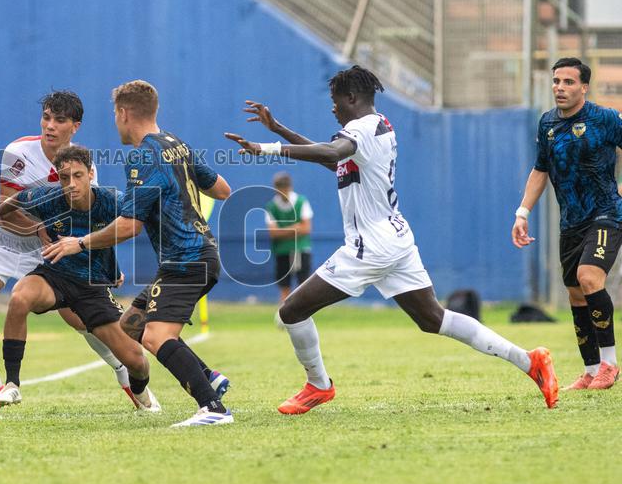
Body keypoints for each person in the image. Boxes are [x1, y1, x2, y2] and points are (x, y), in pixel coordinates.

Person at [224, 65, 559, 414]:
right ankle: (529, 361)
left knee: (291, 311)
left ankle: (318, 386)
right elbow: (333, 160)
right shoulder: (379, 124)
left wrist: (267, 147)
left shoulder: (359, 130)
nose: (332, 108)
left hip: (369, 246)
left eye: (335, 101)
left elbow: (329, 153)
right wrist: (278, 128)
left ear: (351, 98)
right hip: (396, 237)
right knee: (434, 319)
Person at [43, 80, 234, 427]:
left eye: (114, 114)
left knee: (156, 337)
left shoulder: (143, 157)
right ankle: (210, 378)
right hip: (196, 254)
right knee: (131, 325)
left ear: (123, 112)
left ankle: (213, 408)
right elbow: (222, 189)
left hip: (186, 260)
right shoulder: (177, 144)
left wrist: (80, 242)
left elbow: (130, 226)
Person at [0, 91, 135, 417]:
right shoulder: (18, 152)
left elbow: (91, 223)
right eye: (46, 118)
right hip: (7, 240)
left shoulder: (83, 168)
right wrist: (43, 233)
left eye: (60, 120)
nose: (50, 126)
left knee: (84, 320)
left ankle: (128, 380)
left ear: (75, 126)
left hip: (50, 248)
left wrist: (111, 268)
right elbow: (8, 210)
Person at [0, 145, 160, 411]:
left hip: (92, 289)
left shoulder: (112, 200)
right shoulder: (49, 198)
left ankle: (140, 392)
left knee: (137, 362)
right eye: (64, 178)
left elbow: (135, 223)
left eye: (77, 176)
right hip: (55, 277)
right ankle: (12, 384)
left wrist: (114, 269)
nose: (70, 184)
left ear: (91, 174)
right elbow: (15, 200)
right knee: (20, 297)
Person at [512, 57, 620, 390]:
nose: (560, 87)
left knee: (590, 278)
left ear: (584, 87)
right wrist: (522, 213)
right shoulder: (547, 124)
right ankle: (589, 370)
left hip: (606, 213)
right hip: (570, 221)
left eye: (569, 82)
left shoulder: (605, 119)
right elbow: (540, 171)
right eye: (556, 81)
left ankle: (610, 364)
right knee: (575, 293)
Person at [266, 171, 313, 300]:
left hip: (300, 250)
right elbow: (273, 233)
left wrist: (283, 231)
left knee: (303, 285)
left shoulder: (301, 201)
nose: (283, 192)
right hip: (282, 251)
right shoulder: (271, 206)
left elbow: (306, 229)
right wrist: (295, 228)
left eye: (285, 189)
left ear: (290, 187)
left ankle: (303, 314)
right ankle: (286, 316)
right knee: (284, 286)